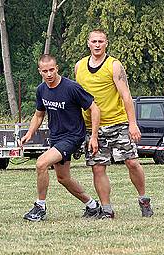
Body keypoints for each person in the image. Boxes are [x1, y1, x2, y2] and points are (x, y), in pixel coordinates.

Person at [75, 29, 154, 219]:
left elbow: (126, 95)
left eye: (101, 41)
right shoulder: (79, 66)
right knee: (98, 167)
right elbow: (77, 97)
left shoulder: (114, 65)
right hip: (92, 127)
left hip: (118, 123)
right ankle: (107, 209)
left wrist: (132, 124)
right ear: (88, 43)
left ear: (106, 43)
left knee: (132, 162)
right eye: (94, 41)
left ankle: (143, 199)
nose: (97, 44)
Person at [21, 54, 101, 222]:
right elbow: (38, 115)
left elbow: (94, 108)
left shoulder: (71, 87)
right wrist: (29, 133)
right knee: (63, 178)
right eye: (45, 71)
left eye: (51, 70)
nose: (49, 74)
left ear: (57, 68)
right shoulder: (41, 90)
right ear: (40, 72)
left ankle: (40, 207)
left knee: (41, 163)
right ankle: (93, 206)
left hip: (73, 137)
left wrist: (93, 136)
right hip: (56, 137)